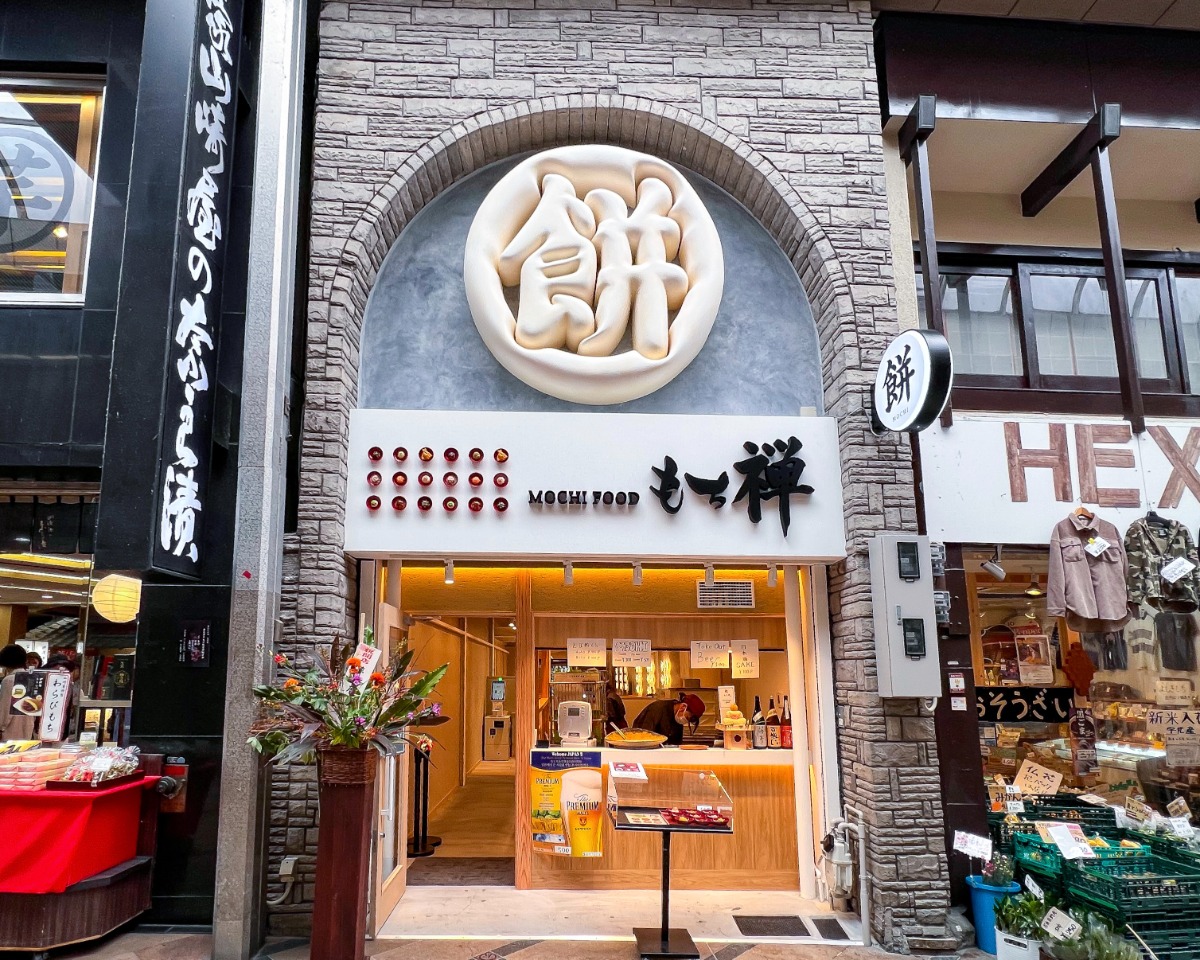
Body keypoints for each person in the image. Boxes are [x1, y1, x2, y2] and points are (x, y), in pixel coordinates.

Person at [632, 693, 705, 746]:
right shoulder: (657, 709)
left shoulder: (677, 719)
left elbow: (676, 745)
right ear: (683, 707)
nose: (685, 721)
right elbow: (644, 738)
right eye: (687, 718)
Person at [0, 643, 35, 742]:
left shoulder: (9, 680)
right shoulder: (32, 678)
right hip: (27, 727)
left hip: (10, 729)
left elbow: (5, 708)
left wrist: (1, 727)